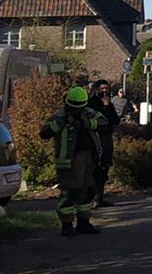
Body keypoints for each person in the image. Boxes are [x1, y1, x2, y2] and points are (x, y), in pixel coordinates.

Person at [44, 87, 103, 236]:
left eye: (80, 108)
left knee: (88, 191)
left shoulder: (88, 114)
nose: (77, 111)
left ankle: (83, 223)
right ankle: (67, 225)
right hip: (69, 161)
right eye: (74, 108)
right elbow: (44, 133)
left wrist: (86, 124)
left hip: (89, 159)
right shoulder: (60, 116)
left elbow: (104, 122)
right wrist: (62, 123)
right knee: (69, 194)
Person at [88, 79, 121, 206]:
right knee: (95, 168)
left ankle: (99, 197)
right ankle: (92, 198)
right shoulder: (91, 104)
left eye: (106, 89)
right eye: (102, 89)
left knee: (104, 168)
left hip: (107, 138)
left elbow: (115, 120)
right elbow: (100, 120)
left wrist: (108, 106)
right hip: (96, 138)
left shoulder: (109, 102)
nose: (104, 91)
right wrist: (106, 107)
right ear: (96, 89)